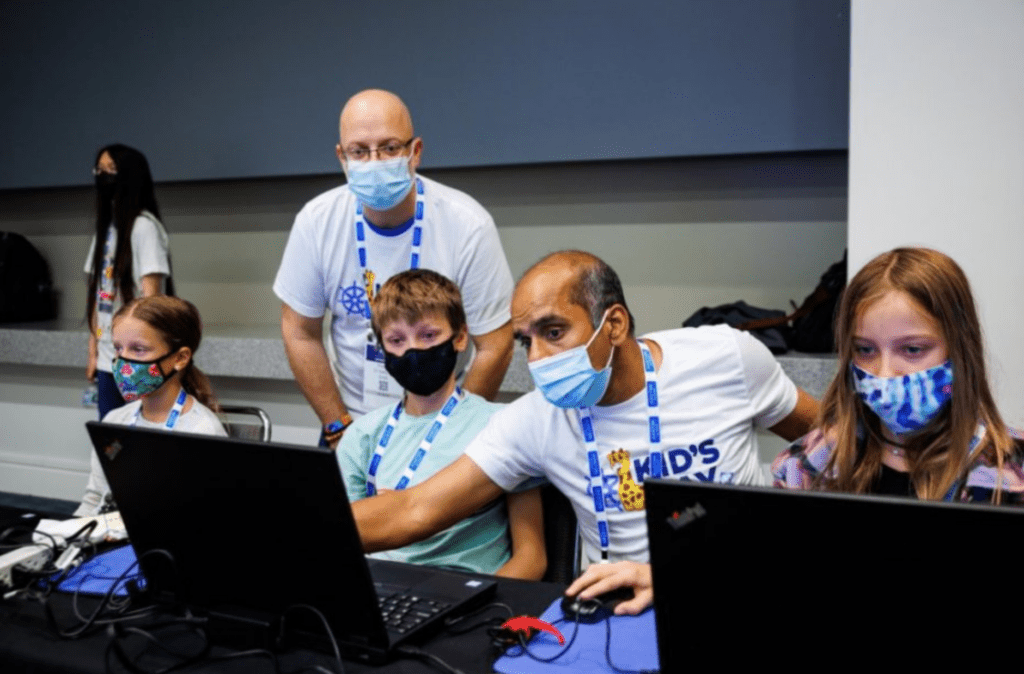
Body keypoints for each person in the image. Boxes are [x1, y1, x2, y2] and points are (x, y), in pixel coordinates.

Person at [351, 250, 819, 614]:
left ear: (612, 324)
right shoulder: (534, 419)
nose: (536, 359)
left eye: (553, 332)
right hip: (613, 608)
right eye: (525, 341)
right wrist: (294, 532)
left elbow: (831, 443)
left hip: (733, 586)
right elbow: (415, 510)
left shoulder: (725, 357)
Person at [273, 89, 514, 447]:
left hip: (442, 424)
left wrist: (454, 432)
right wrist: (338, 426)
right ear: (342, 157)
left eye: (389, 148)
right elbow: (299, 331)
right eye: (359, 151)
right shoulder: (317, 222)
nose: (374, 162)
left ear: (415, 152)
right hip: (352, 425)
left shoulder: (467, 225)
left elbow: (496, 344)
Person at [337, 269, 545, 579]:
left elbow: (532, 558)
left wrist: (484, 615)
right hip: (382, 589)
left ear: (460, 338)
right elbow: (342, 541)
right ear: (382, 349)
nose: (413, 350)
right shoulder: (362, 435)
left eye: (428, 335)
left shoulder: (502, 425)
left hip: (468, 593)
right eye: (396, 340)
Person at [772, 247, 1024, 503]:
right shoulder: (808, 466)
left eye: (912, 349)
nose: (884, 374)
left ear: (959, 351)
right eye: (865, 350)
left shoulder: (1009, 474)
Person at [76, 296, 226, 516]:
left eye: (139, 349)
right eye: (118, 348)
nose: (124, 362)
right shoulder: (114, 422)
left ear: (180, 358)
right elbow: (94, 498)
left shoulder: (203, 433)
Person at [84, 144, 172, 420]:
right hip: (106, 360)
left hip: (135, 364)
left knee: (138, 445)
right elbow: (99, 297)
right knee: (111, 444)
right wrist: (93, 352)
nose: (104, 177)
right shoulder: (106, 231)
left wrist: (144, 363)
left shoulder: (144, 228)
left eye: (111, 170)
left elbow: (152, 303)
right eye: (100, 170)